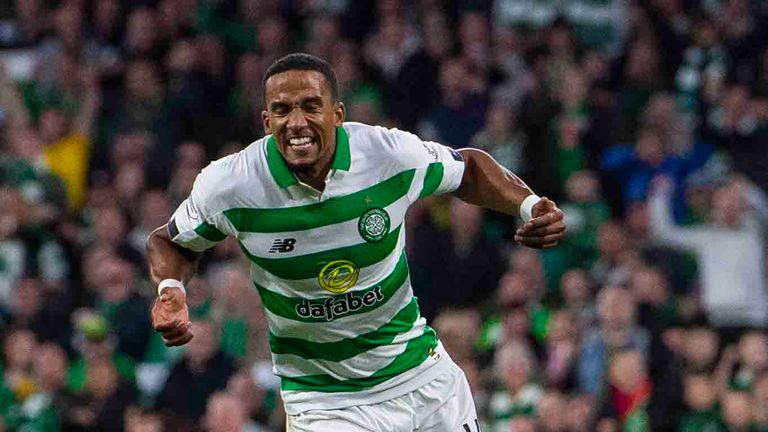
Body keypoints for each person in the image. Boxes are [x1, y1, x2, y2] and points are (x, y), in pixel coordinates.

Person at [145, 53, 566, 431]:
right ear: (266, 120)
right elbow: (170, 242)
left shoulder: (386, 155)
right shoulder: (231, 184)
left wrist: (529, 204)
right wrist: (170, 291)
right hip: (325, 401)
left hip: (421, 378)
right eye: (282, 110)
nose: (297, 122)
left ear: (338, 114)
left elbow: (469, 168)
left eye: (311, 106)